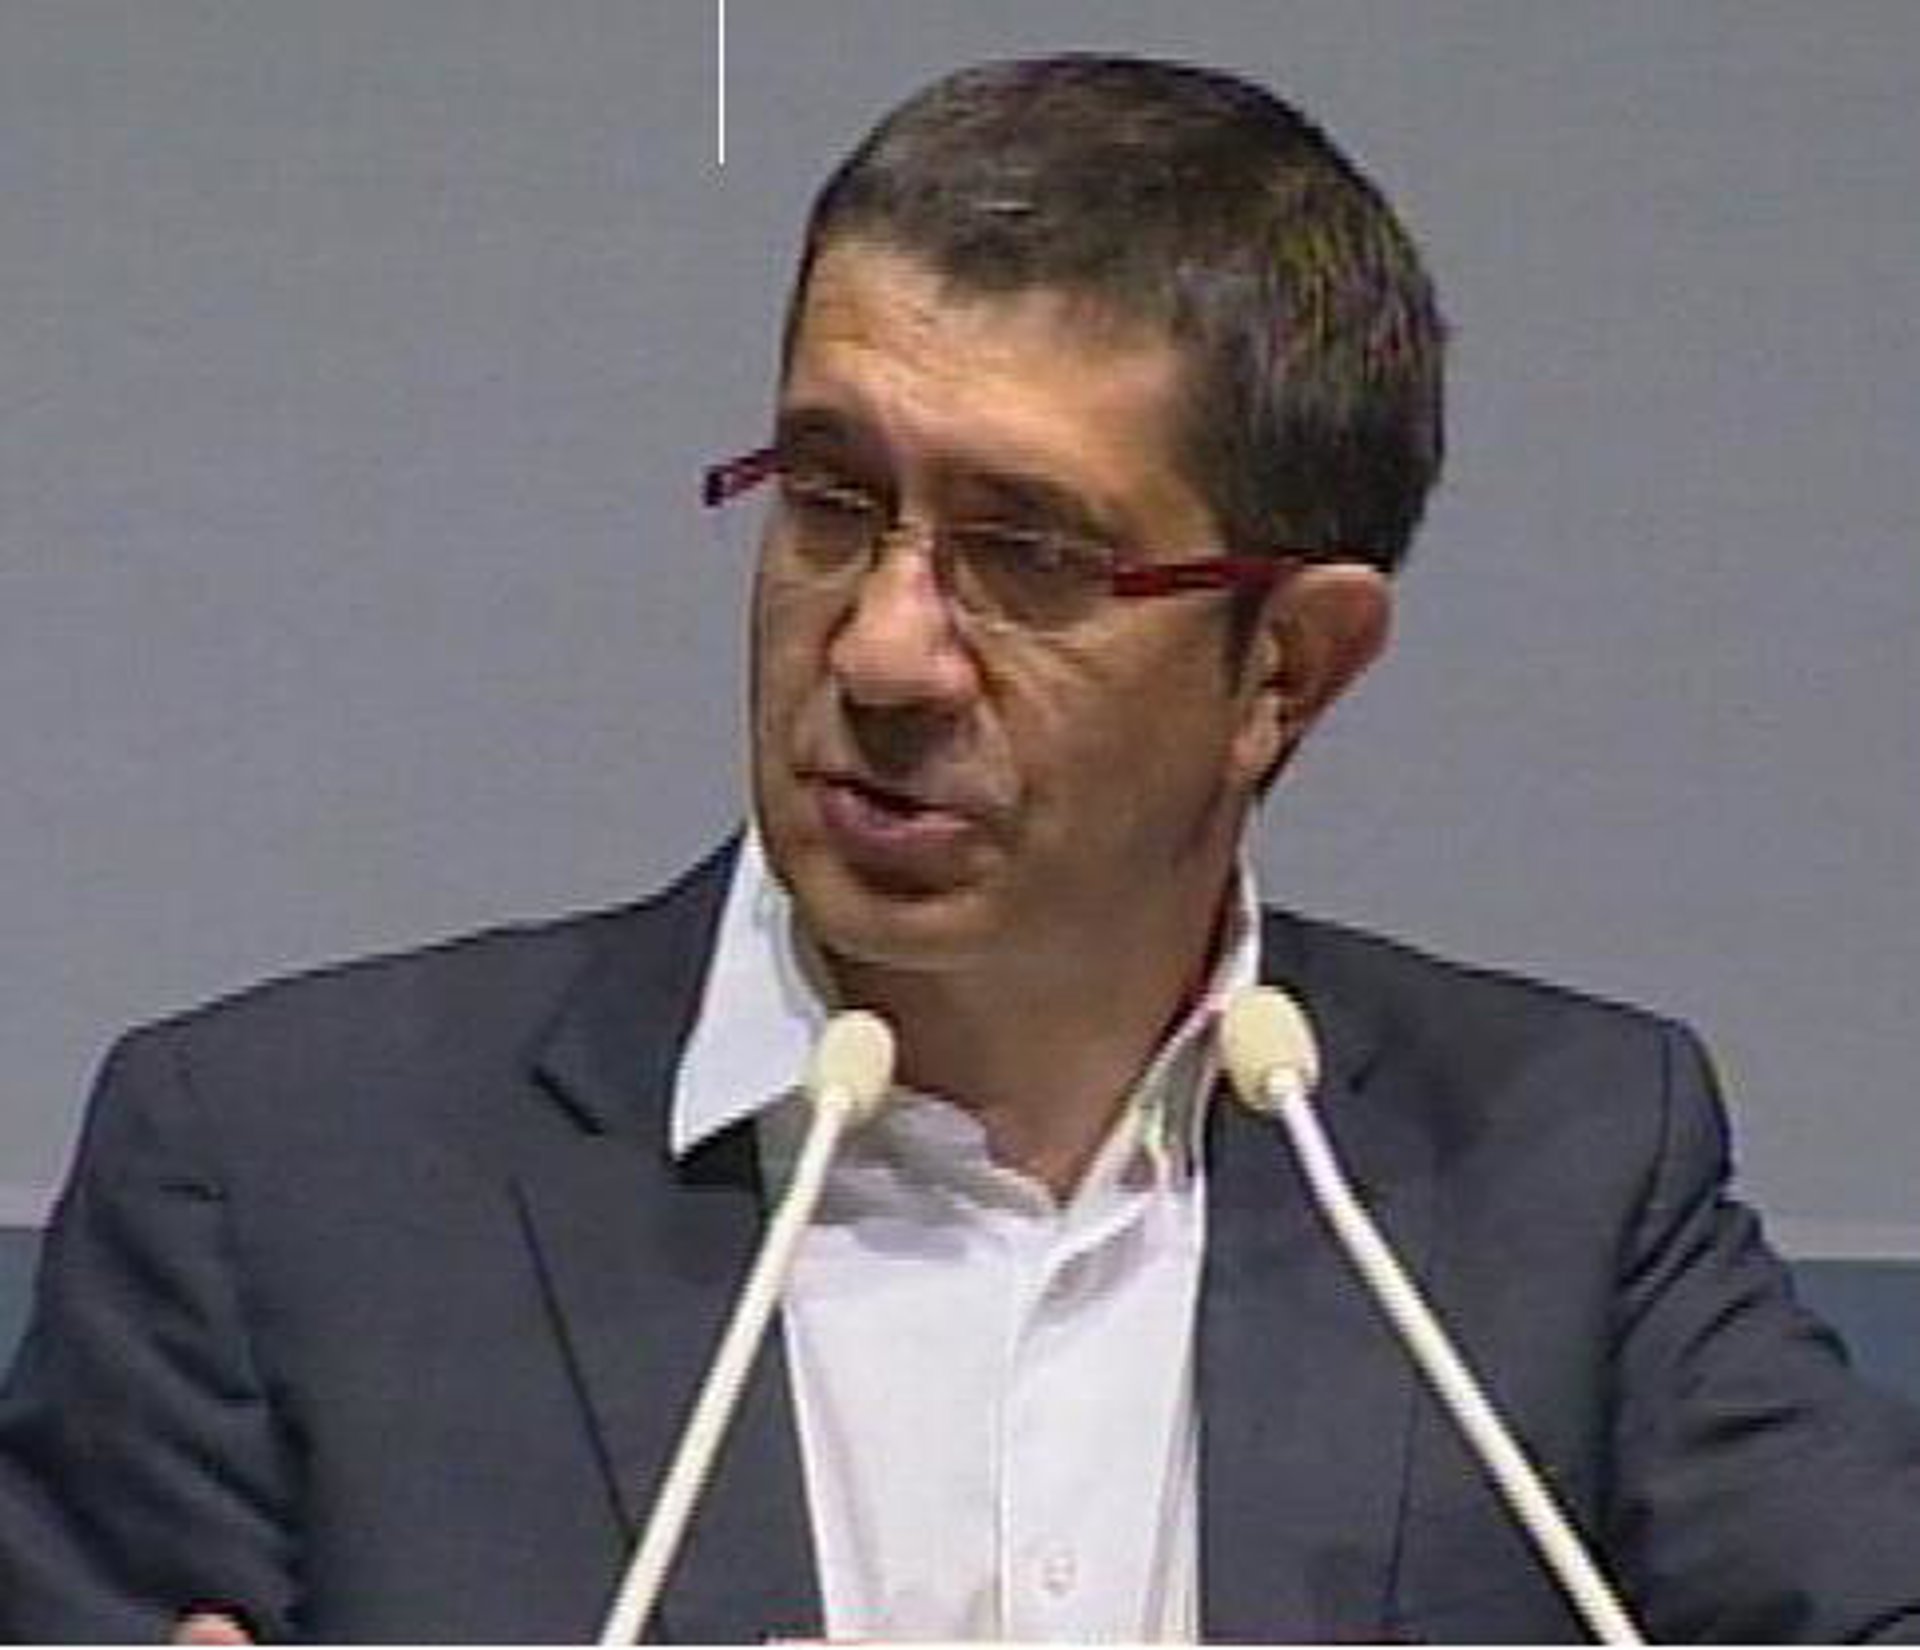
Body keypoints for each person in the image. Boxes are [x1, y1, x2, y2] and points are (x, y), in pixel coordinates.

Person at [5, 51, 1920, 1645]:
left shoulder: (1558, 1168)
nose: (882, 650)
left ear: (1286, 668)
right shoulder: (280, 1178)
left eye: (1030, 553)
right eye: (831, 500)